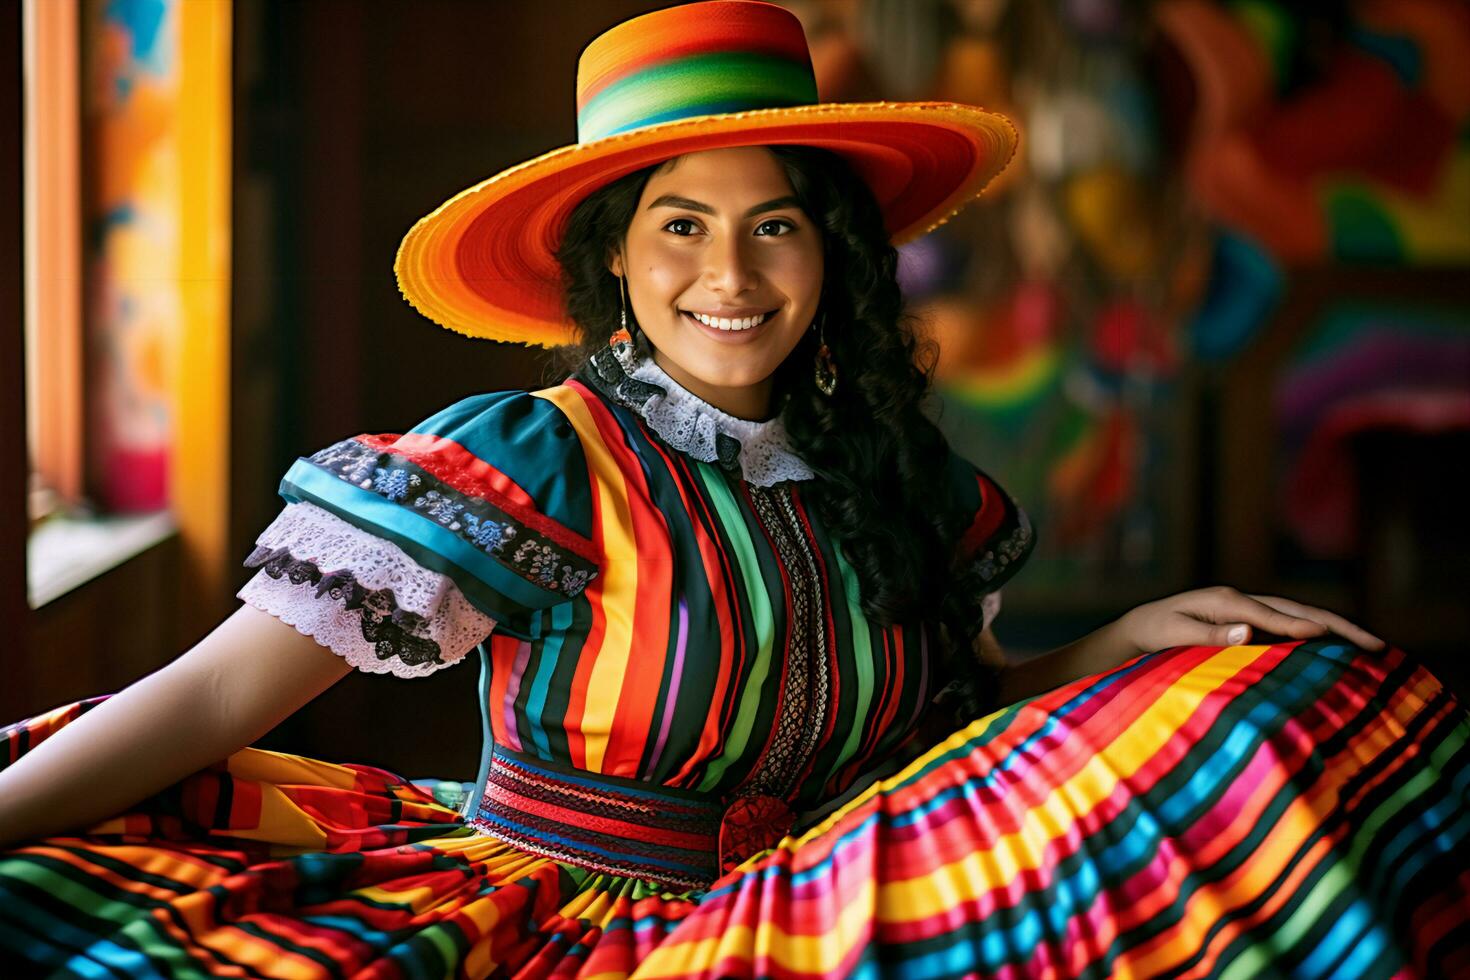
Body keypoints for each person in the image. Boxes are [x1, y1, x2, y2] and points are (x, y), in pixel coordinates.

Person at [1, 2, 1466, 976]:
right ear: (615, 265)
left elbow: (960, 708)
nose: (730, 273)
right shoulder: (531, 460)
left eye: (775, 224)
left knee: (1301, 713)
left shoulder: (900, 478)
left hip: (842, 903)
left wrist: (1121, 648)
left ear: (830, 254)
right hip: (568, 927)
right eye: (680, 225)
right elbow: (205, 702)